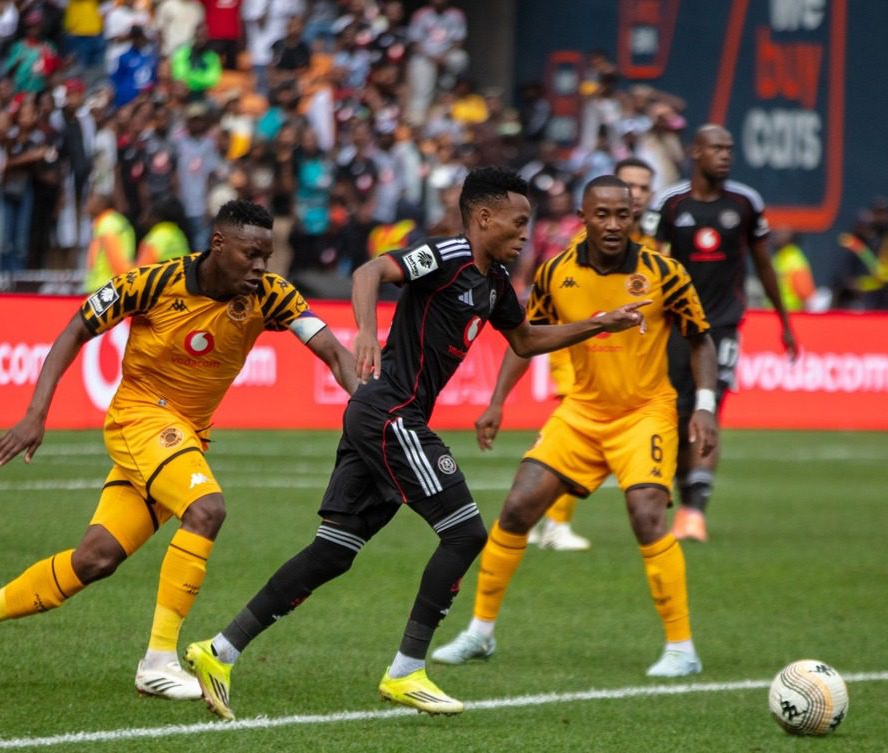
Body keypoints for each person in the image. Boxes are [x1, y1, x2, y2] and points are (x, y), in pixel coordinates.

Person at [183, 167, 652, 719]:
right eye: (519, 221)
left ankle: (219, 651)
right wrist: (363, 331)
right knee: (466, 532)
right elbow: (368, 272)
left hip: (383, 417)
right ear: (483, 217)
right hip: (390, 413)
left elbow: (525, 339)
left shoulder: (495, 282)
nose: (526, 233)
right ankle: (407, 671)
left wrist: (599, 324)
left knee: (333, 551)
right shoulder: (448, 254)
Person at [0, 200, 360, 699]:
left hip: (183, 436)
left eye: (267, 256)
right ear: (218, 245)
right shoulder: (153, 282)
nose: (261, 267)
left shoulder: (270, 295)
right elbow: (74, 330)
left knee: (95, 559)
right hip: (140, 418)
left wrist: (366, 401)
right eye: (251, 255)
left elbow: (333, 352)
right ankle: (159, 660)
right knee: (207, 509)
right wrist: (37, 413)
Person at [431, 176, 717, 677]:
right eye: (601, 214)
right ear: (582, 218)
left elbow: (700, 339)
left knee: (647, 513)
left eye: (621, 215)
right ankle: (480, 632)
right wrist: (497, 401)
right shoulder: (555, 272)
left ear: (634, 218)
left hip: (644, 412)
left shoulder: (664, 273)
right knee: (518, 507)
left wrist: (706, 404)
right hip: (582, 414)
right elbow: (526, 337)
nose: (611, 224)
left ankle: (682, 648)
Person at [642, 124, 798, 542]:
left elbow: (763, 264)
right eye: (716, 148)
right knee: (675, 414)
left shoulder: (746, 203)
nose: (725, 155)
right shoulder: (669, 203)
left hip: (722, 326)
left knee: (709, 408)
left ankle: (695, 511)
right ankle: (682, 494)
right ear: (696, 152)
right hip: (674, 327)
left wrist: (784, 321)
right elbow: (648, 265)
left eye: (729, 148)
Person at [529, 156, 661, 551]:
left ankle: (539, 518)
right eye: (630, 186)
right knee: (587, 440)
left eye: (643, 188)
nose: (636, 195)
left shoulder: (654, 244)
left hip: (623, 363)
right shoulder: (582, 246)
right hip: (581, 354)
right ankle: (554, 525)